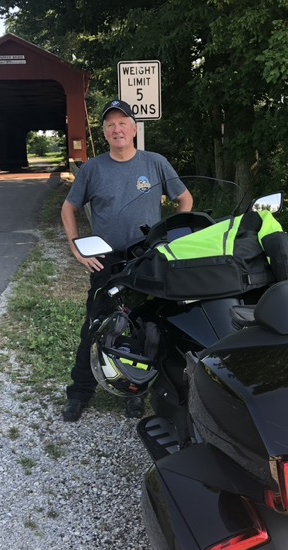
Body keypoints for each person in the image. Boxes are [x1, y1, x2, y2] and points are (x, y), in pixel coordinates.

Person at [60, 99, 193, 423]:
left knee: (146, 327)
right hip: (107, 262)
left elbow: (185, 199)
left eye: (123, 123)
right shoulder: (93, 169)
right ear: (105, 133)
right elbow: (69, 208)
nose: (117, 129)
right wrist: (78, 248)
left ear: (134, 129)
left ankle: (137, 392)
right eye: (110, 125)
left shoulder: (155, 163)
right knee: (96, 325)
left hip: (147, 258)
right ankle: (79, 393)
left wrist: (173, 238)